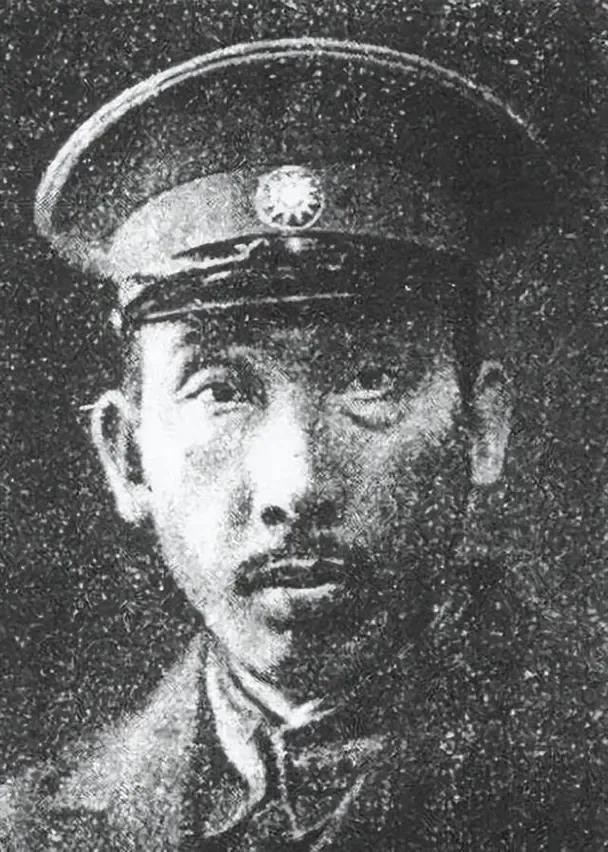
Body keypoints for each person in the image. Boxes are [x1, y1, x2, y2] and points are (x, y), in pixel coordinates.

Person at [1, 38, 559, 849]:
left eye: (370, 380)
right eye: (220, 390)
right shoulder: (33, 832)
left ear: (480, 430)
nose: (295, 487)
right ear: (126, 457)